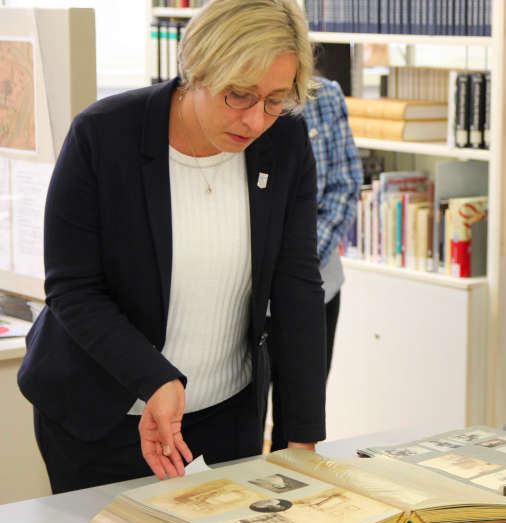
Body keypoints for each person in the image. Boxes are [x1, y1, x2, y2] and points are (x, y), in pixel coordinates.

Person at [17, 0, 327, 494]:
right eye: (239, 95)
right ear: (197, 69)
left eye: (274, 100)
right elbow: (73, 289)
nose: (254, 121)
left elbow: (297, 287)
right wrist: (154, 378)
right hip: (102, 418)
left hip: (228, 417)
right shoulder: (103, 134)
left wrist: (304, 440)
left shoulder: (285, 143)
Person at [269, 76, 362, 452]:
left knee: (298, 423)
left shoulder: (325, 95)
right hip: (245, 296)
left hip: (316, 287)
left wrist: (295, 261)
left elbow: (345, 186)